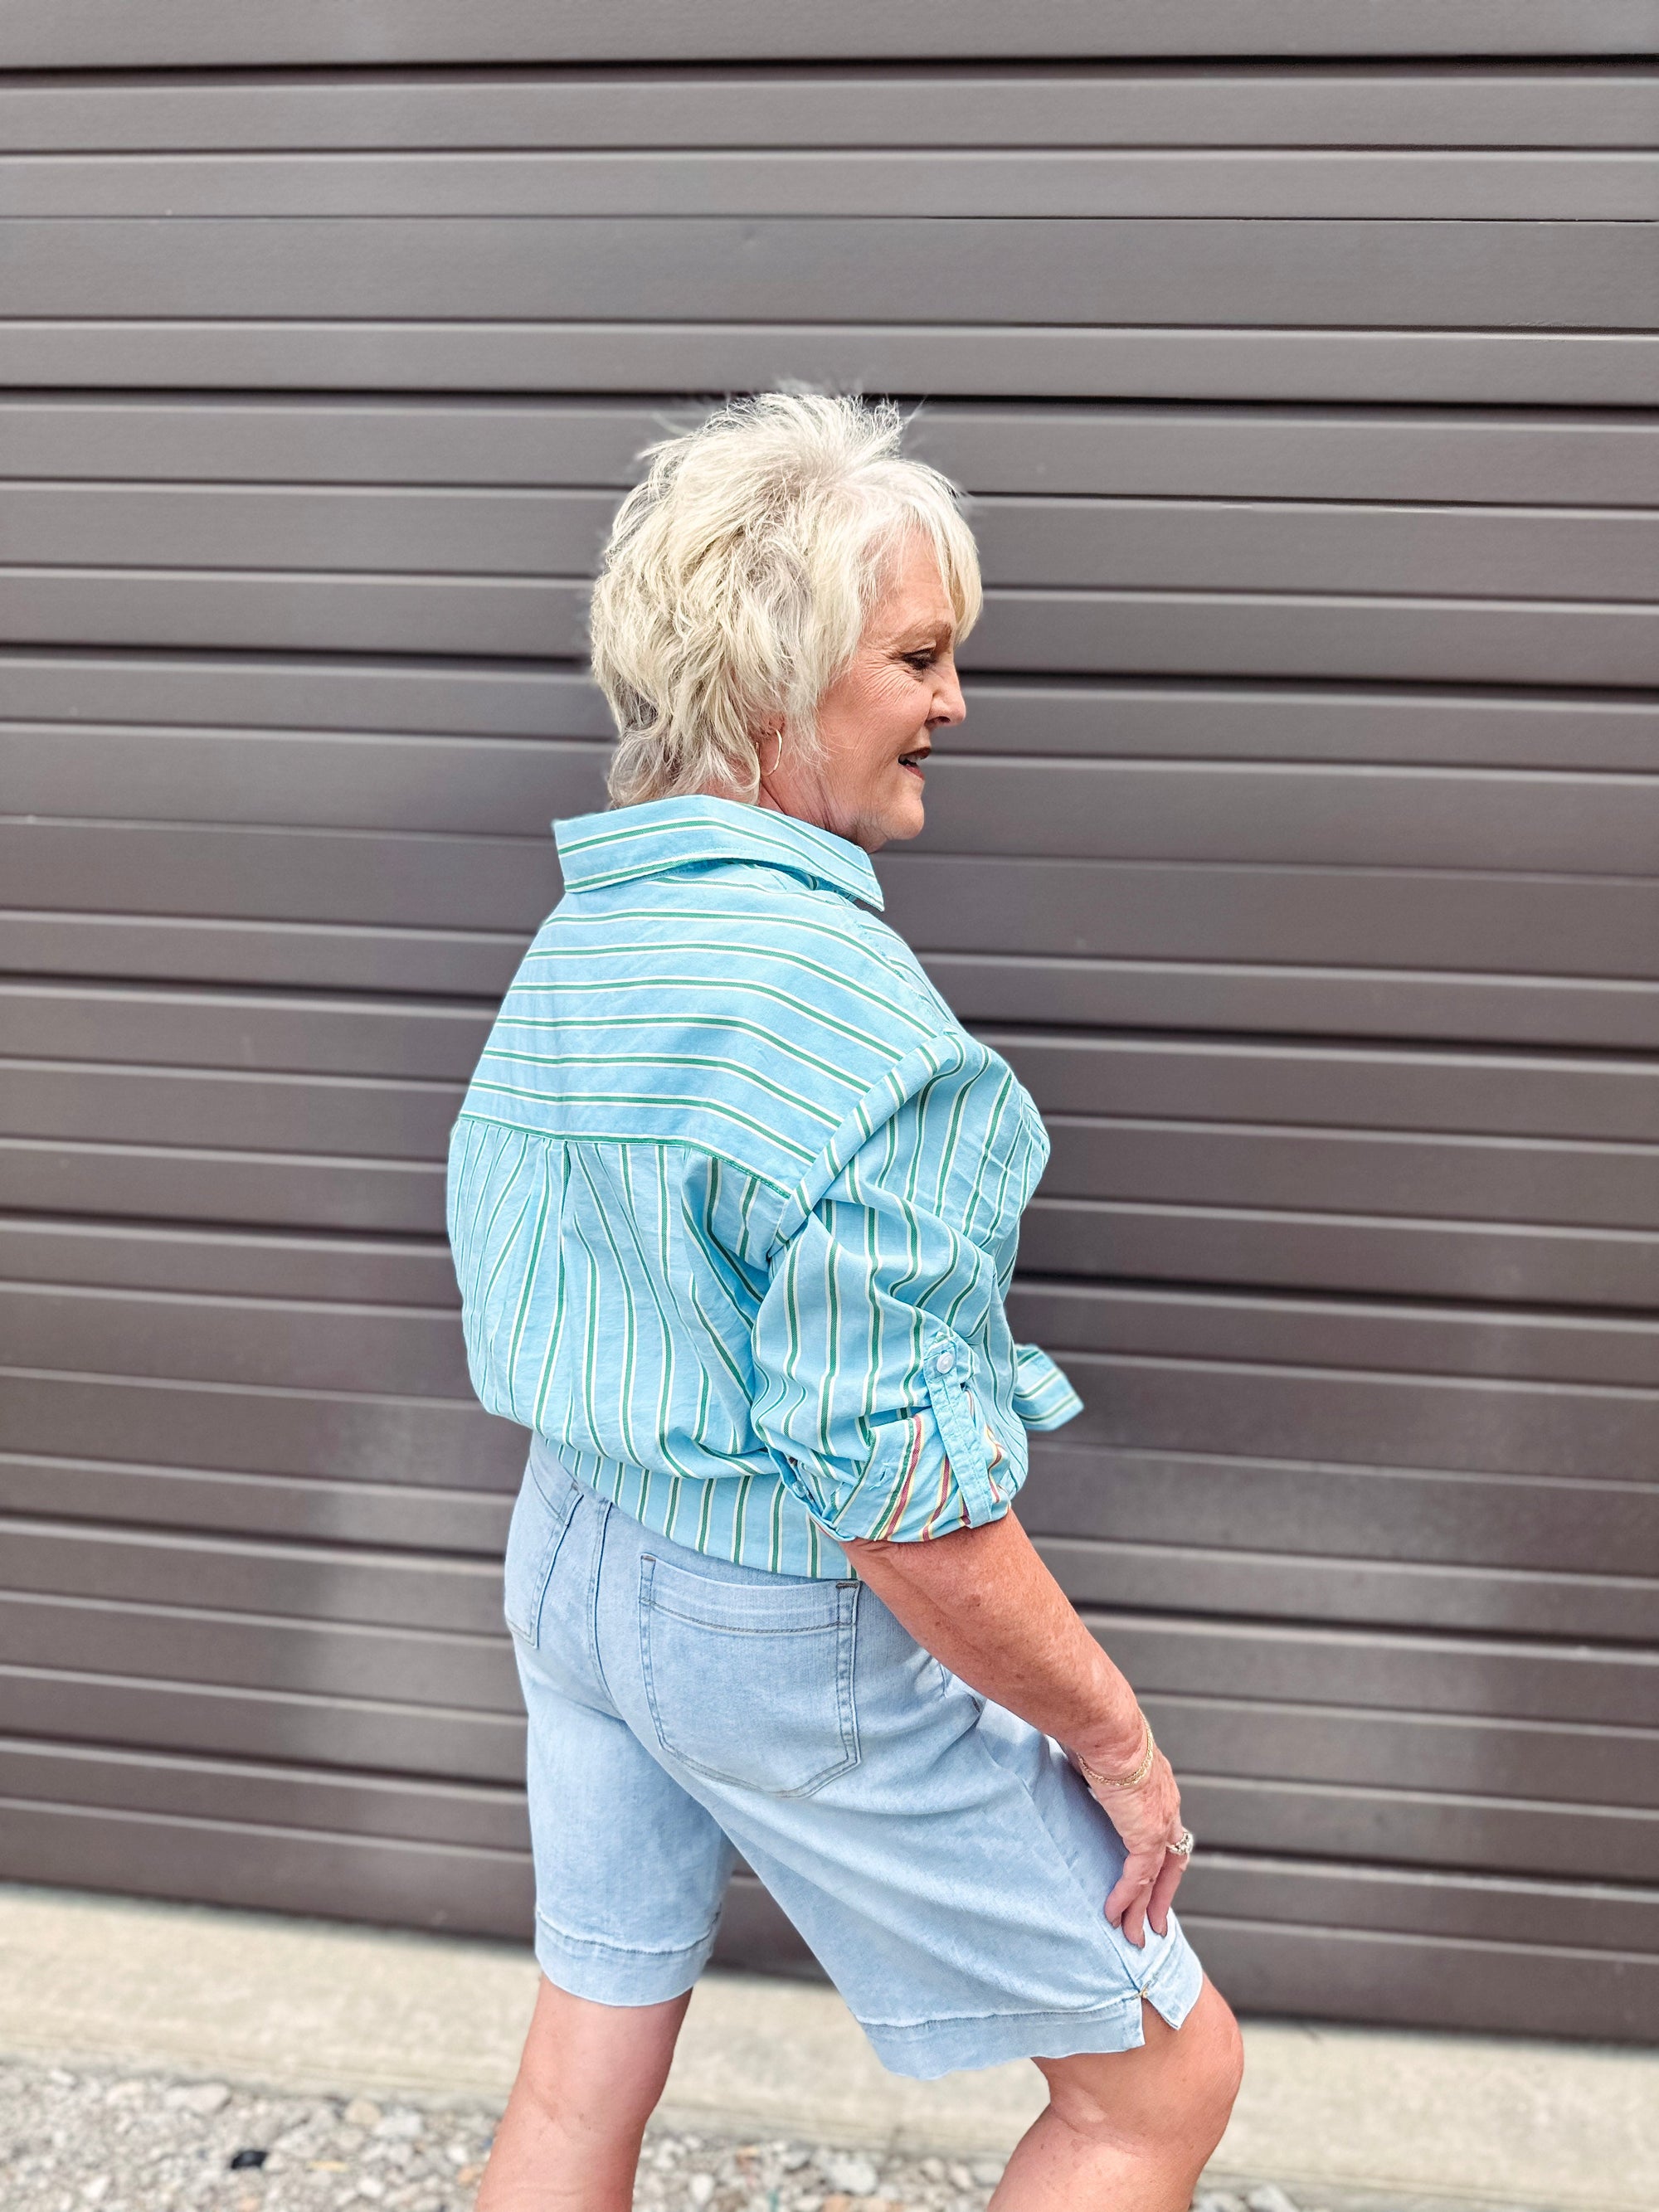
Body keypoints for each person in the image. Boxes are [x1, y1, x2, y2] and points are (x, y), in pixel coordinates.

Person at [447, 393, 1243, 2210]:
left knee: (581, 2077)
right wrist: (1114, 1739)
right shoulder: (877, 1041)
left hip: (568, 1555)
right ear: (769, 675)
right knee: (1161, 2084)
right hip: (767, 1622)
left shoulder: (590, 933)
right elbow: (899, 1496)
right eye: (918, 654)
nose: (954, 701)